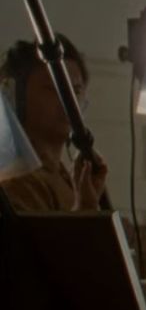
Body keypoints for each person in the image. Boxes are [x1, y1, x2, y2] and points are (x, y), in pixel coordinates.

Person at [0, 34, 106, 213]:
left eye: (77, 91)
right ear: (17, 97)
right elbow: (42, 240)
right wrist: (85, 210)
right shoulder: (15, 182)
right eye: (54, 88)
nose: (69, 101)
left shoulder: (70, 180)